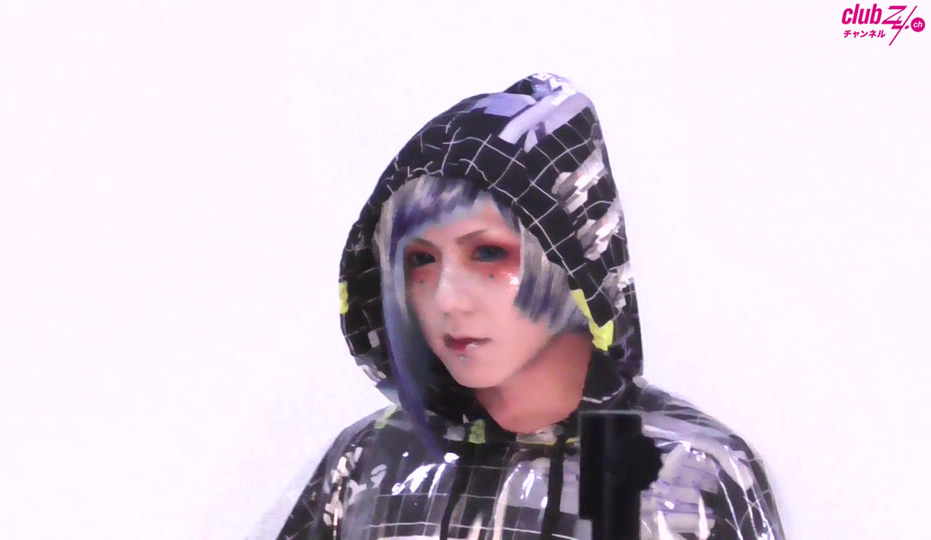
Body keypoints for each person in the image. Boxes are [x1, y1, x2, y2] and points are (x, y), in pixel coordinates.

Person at [276, 73, 784, 539]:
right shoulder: (369, 462)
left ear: (572, 258)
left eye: (487, 253)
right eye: (421, 261)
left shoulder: (687, 474)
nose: (447, 298)